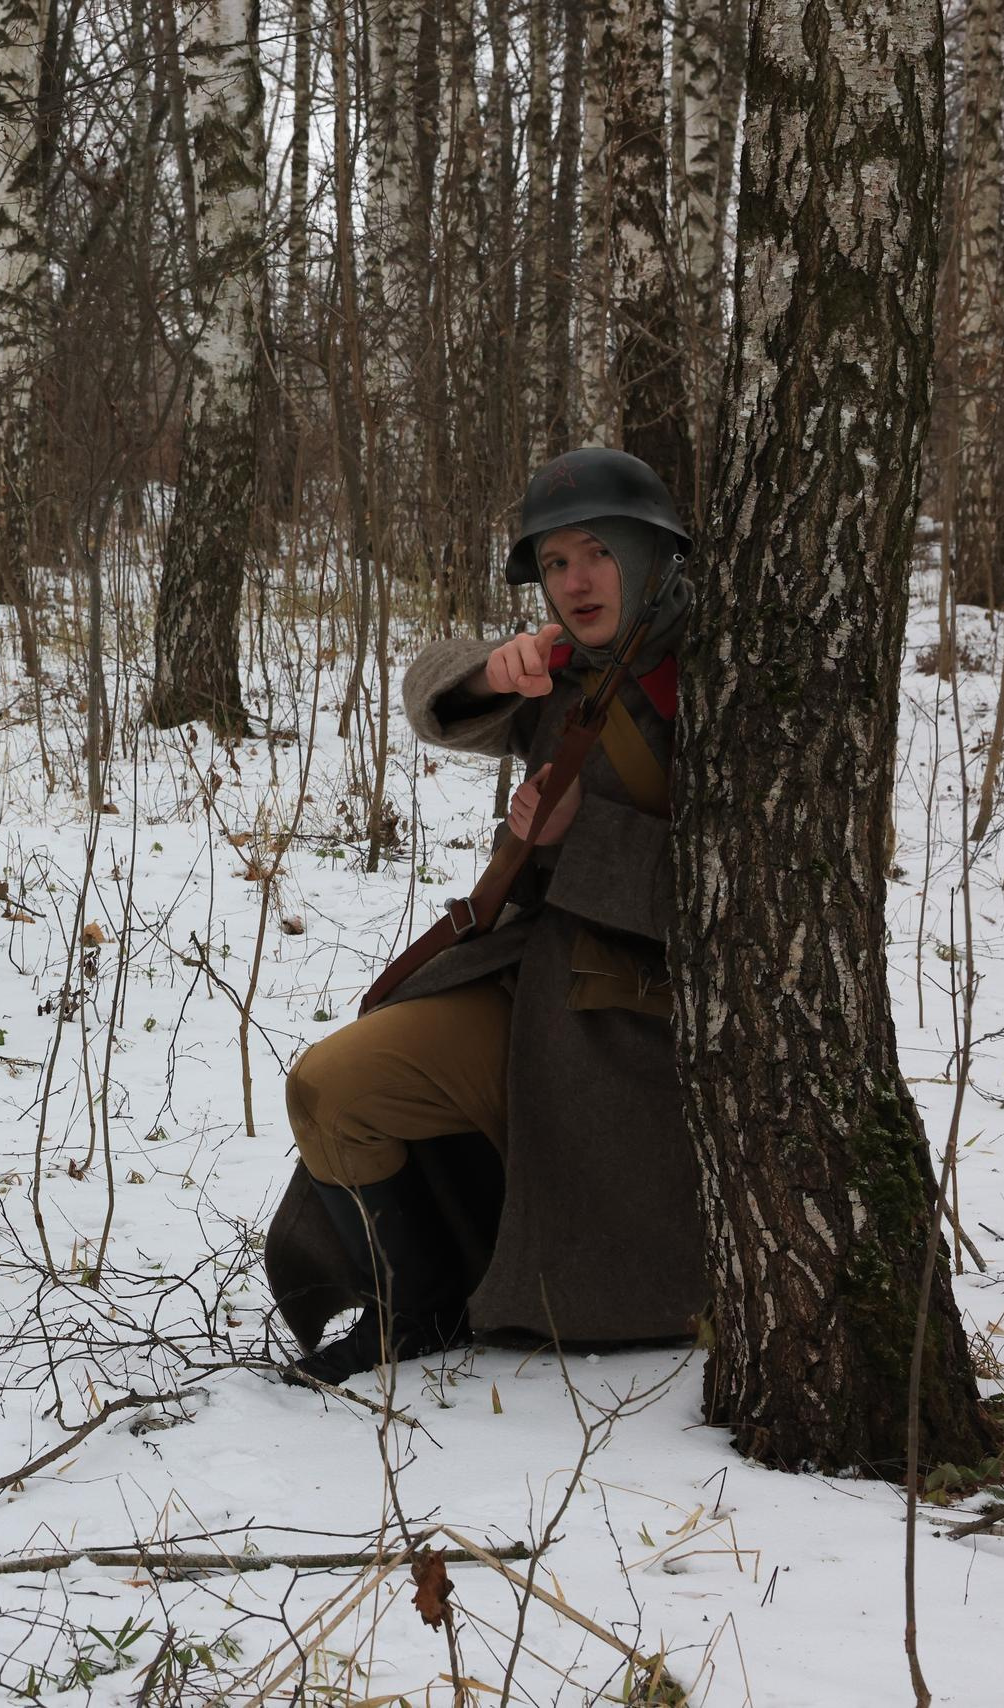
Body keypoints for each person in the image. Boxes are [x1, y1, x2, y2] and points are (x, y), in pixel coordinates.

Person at [264, 448, 705, 1385]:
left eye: (595, 552)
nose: (575, 581)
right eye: (553, 563)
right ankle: (414, 1310)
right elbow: (432, 699)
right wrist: (499, 674)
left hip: (644, 1039)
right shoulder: (573, 668)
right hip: (531, 988)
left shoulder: (715, 690)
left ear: (651, 553)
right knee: (329, 1088)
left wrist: (583, 836)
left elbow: (747, 901)